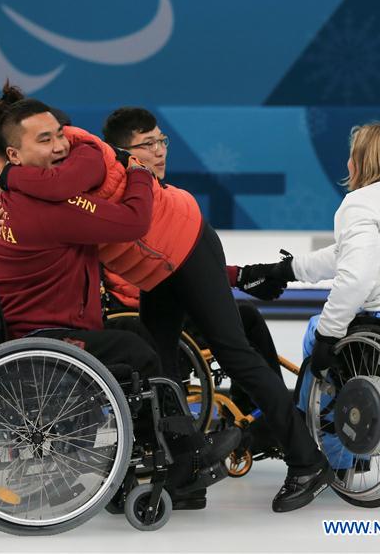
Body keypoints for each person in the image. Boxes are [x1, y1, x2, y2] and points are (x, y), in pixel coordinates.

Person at [0, 86, 331, 513]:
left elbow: (90, 202)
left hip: (185, 243)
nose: (56, 145)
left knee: (234, 354)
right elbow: (33, 200)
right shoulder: (36, 183)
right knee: (161, 363)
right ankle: (184, 474)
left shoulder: (80, 152)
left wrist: (134, 169)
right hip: (156, 265)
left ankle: (307, 461)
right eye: (44, 140)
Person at [239, 123, 380, 448]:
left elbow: (356, 276)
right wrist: (286, 269)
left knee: (317, 329)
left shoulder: (360, 202)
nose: (347, 163)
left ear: (363, 160)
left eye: (351, 155)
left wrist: (327, 336)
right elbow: (345, 254)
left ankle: (305, 434)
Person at [102, 106, 285, 413]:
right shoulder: (125, 207)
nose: (160, 152)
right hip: (139, 313)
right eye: (148, 144)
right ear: (122, 153)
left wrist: (239, 276)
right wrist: (232, 278)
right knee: (238, 328)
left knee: (245, 317)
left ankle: (254, 416)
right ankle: (263, 418)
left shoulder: (161, 195)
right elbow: (164, 267)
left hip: (169, 297)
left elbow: (183, 262)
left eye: (162, 141)